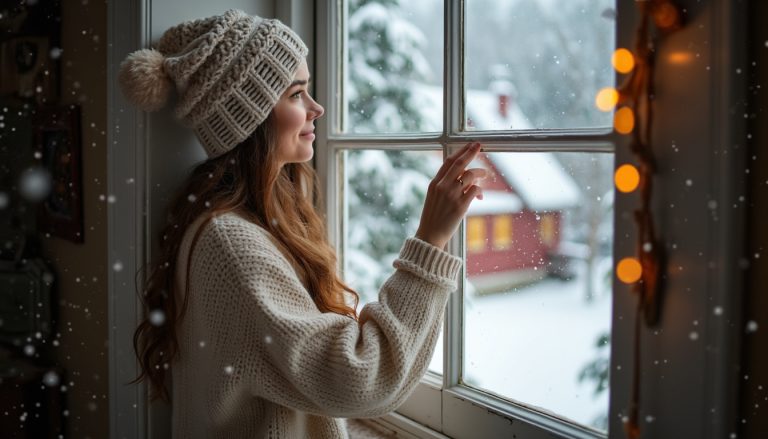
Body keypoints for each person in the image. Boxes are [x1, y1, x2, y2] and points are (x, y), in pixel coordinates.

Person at [119, 9, 485, 438]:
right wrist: (431, 239)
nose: (317, 108)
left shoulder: (245, 222)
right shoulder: (232, 245)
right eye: (296, 95)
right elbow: (360, 378)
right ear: (249, 117)